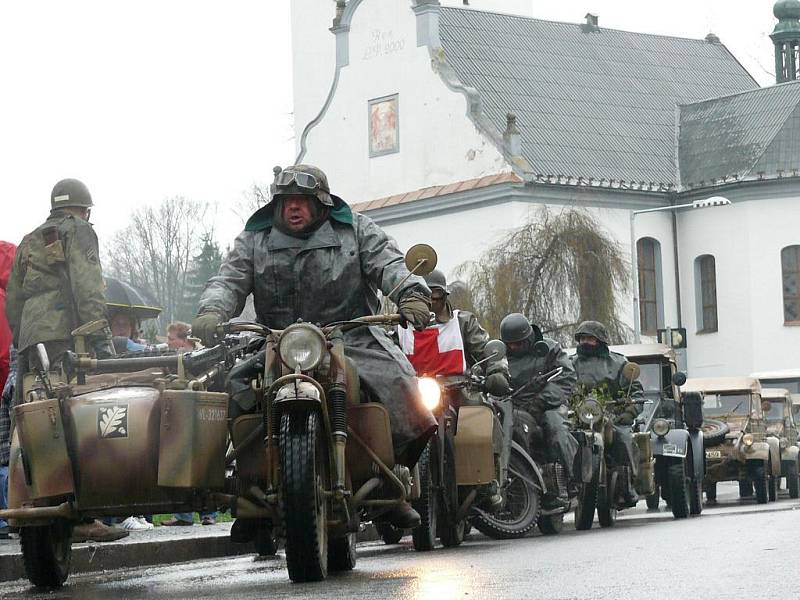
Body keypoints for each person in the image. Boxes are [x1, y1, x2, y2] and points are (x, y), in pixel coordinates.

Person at [192, 164, 434, 530]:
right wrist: (213, 310)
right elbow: (229, 278)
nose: (293, 207)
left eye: (302, 200)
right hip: (276, 340)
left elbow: (389, 263)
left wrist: (411, 294)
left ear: (321, 202)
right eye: (286, 200)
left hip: (351, 336)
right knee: (233, 389)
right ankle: (250, 489)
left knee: (403, 386)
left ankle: (389, 482)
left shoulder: (355, 229)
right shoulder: (254, 239)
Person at [5, 179, 125, 542]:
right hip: (70, 340)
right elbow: (88, 287)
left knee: (40, 423)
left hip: (30, 343)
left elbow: (13, 300)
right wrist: (100, 340)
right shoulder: (81, 231)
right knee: (81, 420)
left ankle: (42, 507)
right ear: (85, 209)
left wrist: (25, 335)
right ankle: (85, 512)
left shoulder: (29, 239)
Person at [397, 269, 510, 508]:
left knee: (480, 415)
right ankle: (392, 483)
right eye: (421, 296)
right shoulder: (398, 326)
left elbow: (484, 348)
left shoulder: (462, 321)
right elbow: (385, 354)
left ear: (445, 295)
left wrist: (496, 370)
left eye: (434, 294)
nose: (429, 301)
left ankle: (486, 478)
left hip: (457, 388)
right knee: (388, 425)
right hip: (414, 392)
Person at [499, 313, 578, 508]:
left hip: (548, 405)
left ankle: (569, 480)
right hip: (511, 406)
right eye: (510, 344)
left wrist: (541, 401)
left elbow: (566, 377)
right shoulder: (499, 355)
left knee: (557, 430)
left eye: (518, 344)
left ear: (528, 339)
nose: (513, 348)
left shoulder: (550, 349)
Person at [570, 320, 643, 507]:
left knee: (624, 437)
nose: (585, 342)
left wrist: (629, 412)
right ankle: (563, 485)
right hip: (578, 416)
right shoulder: (570, 364)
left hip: (613, 416)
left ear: (600, 340)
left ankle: (627, 487)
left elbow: (635, 393)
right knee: (560, 437)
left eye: (590, 338)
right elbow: (561, 388)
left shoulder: (619, 362)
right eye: (582, 338)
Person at [161, 321, 217, 526]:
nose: (168, 343)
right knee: (179, 460)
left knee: (204, 462)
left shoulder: (205, 357)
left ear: (184, 340)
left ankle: (208, 514)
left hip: (203, 416)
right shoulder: (171, 358)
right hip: (181, 418)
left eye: (171, 339)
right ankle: (184, 515)